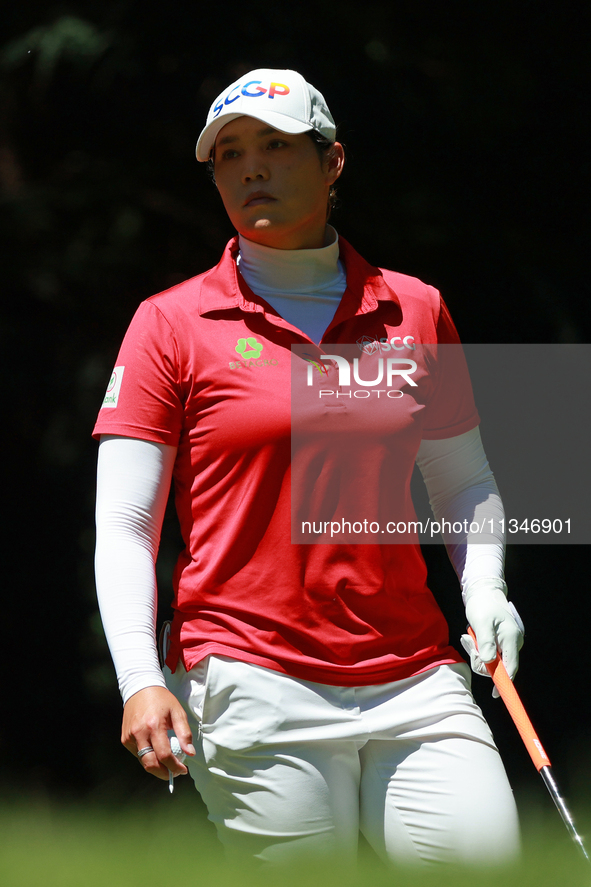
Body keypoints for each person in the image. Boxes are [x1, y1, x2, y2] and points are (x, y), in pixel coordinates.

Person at [93, 68, 524, 868]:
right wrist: (137, 677)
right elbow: (125, 524)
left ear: (332, 163)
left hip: (413, 674)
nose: (249, 167)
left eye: (275, 146)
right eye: (228, 153)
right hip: (249, 676)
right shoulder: (168, 324)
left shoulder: (412, 307)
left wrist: (485, 589)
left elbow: (463, 482)